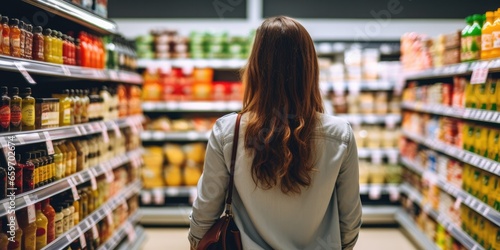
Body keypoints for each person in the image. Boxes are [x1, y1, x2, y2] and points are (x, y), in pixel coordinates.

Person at [188, 16, 362, 250]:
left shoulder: (229, 131)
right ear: (310, 69)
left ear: (255, 68)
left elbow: (205, 210)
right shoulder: (340, 135)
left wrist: (196, 243)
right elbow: (349, 220)